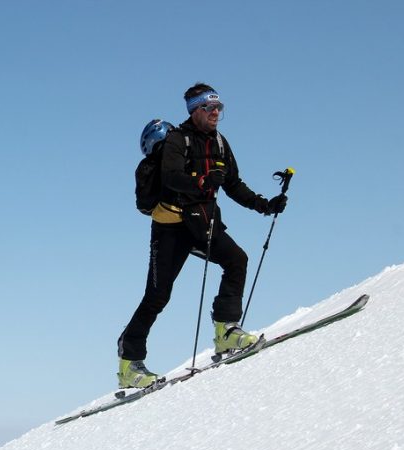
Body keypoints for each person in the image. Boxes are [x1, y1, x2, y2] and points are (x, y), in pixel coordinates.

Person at [117, 82, 288, 389]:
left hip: (201, 223)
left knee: (237, 259)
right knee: (158, 295)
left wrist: (265, 205)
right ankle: (129, 364)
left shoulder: (220, 143)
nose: (216, 113)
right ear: (195, 111)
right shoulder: (177, 140)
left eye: (219, 107)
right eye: (210, 108)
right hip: (169, 227)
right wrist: (203, 180)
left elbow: (233, 184)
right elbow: (171, 178)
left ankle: (225, 331)